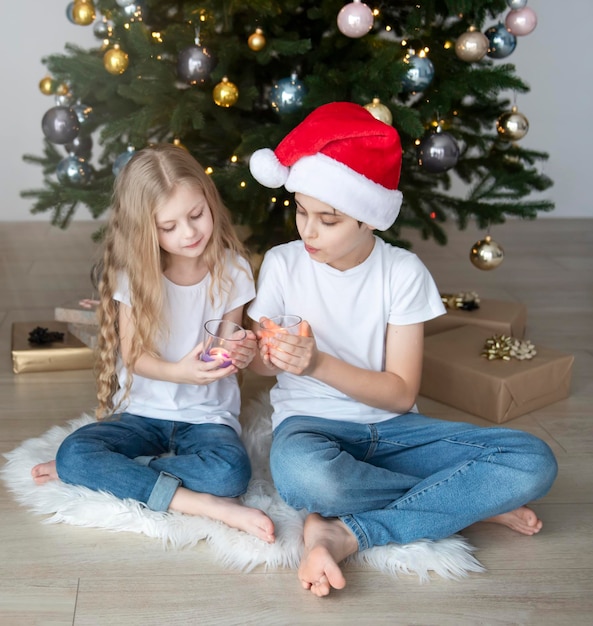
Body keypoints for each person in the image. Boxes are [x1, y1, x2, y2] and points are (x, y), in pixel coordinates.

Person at [246, 102, 557, 595]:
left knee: (534, 460)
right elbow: (264, 367)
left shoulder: (403, 272)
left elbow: (397, 393)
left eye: (328, 219)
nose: (308, 230)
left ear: (369, 218)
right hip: (310, 430)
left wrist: (317, 362)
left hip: (396, 431)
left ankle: (345, 531)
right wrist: (264, 355)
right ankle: (467, 501)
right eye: (301, 211)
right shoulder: (283, 264)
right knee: (310, 482)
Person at [31, 143, 275, 544]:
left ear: (209, 200)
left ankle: (122, 469)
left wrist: (241, 352)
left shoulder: (233, 269)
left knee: (231, 473)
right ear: (146, 229)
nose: (190, 232)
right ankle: (200, 504)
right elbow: (134, 357)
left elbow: (228, 343)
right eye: (169, 226)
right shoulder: (135, 275)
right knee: (72, 453)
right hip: (141, 414)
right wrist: (178, 371)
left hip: (207, 418)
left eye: (196, 215)